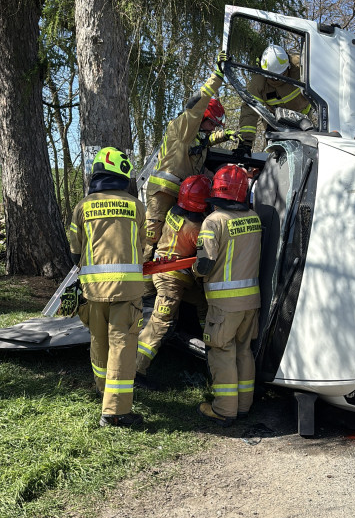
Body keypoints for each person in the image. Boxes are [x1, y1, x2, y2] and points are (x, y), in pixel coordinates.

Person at [69, 147, 146, 428]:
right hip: (127, 291)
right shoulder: (137, 206)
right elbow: (144, 245)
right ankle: (115, 411)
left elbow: (75, 251)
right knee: (122, 346)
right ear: (124, 175)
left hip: (92, 290)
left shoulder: (82, 207)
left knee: (99, 341)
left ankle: (103, 391)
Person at [144, 51, 238, 259]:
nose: (212, 129)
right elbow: (198, 104)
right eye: (212, 123)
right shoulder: (183, 129)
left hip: (181, 196)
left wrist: (225, 136)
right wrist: (216, 78)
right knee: (149, 242)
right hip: (162, 194)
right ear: (202, 117)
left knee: (168, 242)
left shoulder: (197, 138)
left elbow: (203, 148)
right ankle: (138, 285)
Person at [193, 164, 262, 427]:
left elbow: (205, 265)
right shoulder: (253, 218)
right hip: (251, 301)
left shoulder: (214, 221)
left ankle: (224, 409)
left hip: (224, 304)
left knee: (222, 352)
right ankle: (244, 406)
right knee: (244, 351)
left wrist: (193, 268)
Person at [136, 175, 212, 382]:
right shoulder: (196, 229)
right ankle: (136, 369)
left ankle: (208, 343)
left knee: (203, 302)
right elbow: (203, 262)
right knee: (160, 322)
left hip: (159, 269)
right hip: (172, 279)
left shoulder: (172, 212)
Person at [235, 44, 311, 156]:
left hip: (304, 121)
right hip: (276, 124)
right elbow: (249, 111)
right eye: (272, 76)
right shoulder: (258, 83)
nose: (276, 79)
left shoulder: (302, 66)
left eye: (281, 74)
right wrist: (246, 143)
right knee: (278, 157)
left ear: (288, 65)